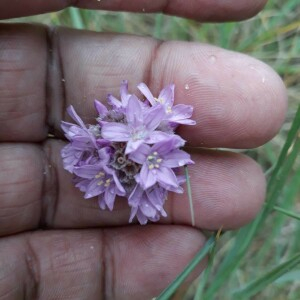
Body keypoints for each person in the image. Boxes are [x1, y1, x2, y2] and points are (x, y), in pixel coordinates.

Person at [0, 1, 287, 299]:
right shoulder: (123, 142)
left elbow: (148, 151)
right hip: (118, 143)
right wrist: (115, 156)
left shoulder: (150, 143)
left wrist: (141, 152)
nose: (138, 153)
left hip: (137, 143)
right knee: (111, 172)